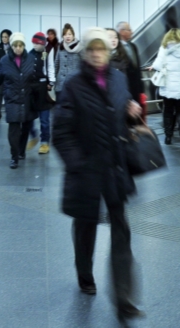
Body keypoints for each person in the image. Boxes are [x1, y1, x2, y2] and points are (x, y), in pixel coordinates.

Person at [51, 28, 142, 320]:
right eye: (91, 49)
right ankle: (84, 272)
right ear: (85, 52)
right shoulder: (73, 86)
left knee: (121, 232)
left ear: (108, 52)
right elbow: (62, 133)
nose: (97, 53)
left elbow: (123, 115)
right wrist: (77, 163)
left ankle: (124, 298)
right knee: (85, 226)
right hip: (86, 171)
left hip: (114, 167)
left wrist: (130, 112)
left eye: (101, 49)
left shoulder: (118, 79)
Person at [0, 39, 40, 169]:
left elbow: (36, 80)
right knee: (14, 130)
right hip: (12, 99)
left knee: (25, 127)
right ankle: (14, 157)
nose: (18, 48)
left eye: (20, 45)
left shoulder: (31, 59)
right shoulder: (4, 61)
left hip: (27, 99)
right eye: (15, 45)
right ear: (12, 46)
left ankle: (21, 152)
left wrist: (42, 98)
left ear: (24, 46)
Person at [149, 29, 180, 145]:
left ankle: (168, 136)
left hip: (168, 86)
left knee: (168, 111)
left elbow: (157, 65)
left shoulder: (164, 49)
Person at [33, 32, 60, 154]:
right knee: (30, 118)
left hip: (44, 87)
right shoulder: (30, 54)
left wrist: (51, 83)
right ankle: (34, 135)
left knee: (44, 118)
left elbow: (50, 67)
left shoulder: (46, 52)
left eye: (38, 43)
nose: (35, 45)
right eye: (34, 43)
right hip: (33, 88)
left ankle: (44, 142)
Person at [110, 22, 146, 103]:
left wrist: (141, 88)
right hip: (125, 88)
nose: (132, 32)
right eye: (129, 30)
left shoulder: (133, 46)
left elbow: (137, 68)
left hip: (136, 89)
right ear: (122, 32)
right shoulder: (116, 49)